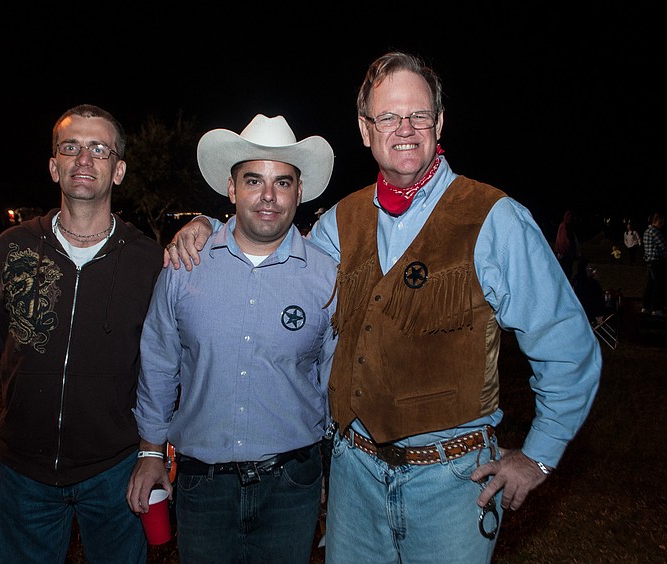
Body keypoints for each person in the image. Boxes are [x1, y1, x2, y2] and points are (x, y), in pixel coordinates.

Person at [163, 52, 602, 563]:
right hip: (355, 479)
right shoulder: (338, 223)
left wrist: (539, 458)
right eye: (389, 117)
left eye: (418, 115)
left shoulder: (494, 219)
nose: (405, 129)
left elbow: (569, 349)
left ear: (439, 123)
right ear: (366, 129)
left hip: (455, 484)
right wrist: (206, 226)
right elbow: (271, 252)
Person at [126, 114, 339, 563]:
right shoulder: (185, 266)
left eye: (283, 183)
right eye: (253, 180)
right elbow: (159, 362)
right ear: (231, 189)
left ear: (299, 193)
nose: (268, 196)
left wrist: (331, 470)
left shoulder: (325, 278)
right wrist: (150, 451)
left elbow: (331, 379)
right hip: (203, 486)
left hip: (294, 483)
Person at [0, 104, 163, 562]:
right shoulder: (12, 248)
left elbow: (159, 364)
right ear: (54, 165)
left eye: (99, 149)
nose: (84, 159)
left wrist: (150, 451)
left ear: (118, 170)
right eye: (71, 147)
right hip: (24, 470)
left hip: (116, 470)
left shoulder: (147, 260)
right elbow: (3, 343)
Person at [641, 212, 667, 316]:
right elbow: (664, 245)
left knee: (650, 284)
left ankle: (646, 306)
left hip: (649, 261)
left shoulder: (647, 231)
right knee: (658, 285)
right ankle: (656, 308)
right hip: (656, 261)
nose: (662, 224)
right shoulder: (655, 231)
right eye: (661, 222)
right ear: (656, 221)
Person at [572, 258, 608, 325]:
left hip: (588, 307)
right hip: (589, 309)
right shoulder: (583, 282)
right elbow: (593, 295)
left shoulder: (583, 279)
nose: (591, 270)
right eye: (589, 267)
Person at [554, 209, 580, 279]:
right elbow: (565, 241)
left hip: (566, 254)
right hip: (564, 254)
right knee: (565, 272)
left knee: (567, 271)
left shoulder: (568, 226)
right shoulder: (564, 226)